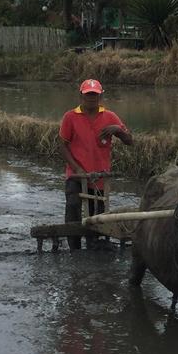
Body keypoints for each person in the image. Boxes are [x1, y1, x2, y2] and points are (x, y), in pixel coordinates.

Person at [59, 79, 133, 249]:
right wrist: (77, 168)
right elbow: (62, 145)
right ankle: (74, 248)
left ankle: (95, 246)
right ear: (81, 96)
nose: (91, 98)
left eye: (95, 95)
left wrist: (117, 130)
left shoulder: (109, 116)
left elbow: (129, 141)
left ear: (100, 95)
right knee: (73, 207)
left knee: (98, 216)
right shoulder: (70, 117)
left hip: (100, 178)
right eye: (88, 95)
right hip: (76, 175)